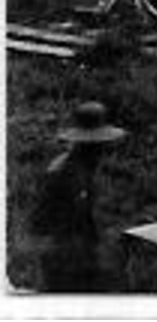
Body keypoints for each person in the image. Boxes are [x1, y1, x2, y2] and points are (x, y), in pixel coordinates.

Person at [30, 102, 126, 291]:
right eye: (97, 145)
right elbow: (42, 222)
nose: (102, 151)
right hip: (63, 256)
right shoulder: (63, 172)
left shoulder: (84, 167)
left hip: (80, 251)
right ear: (85, 145)